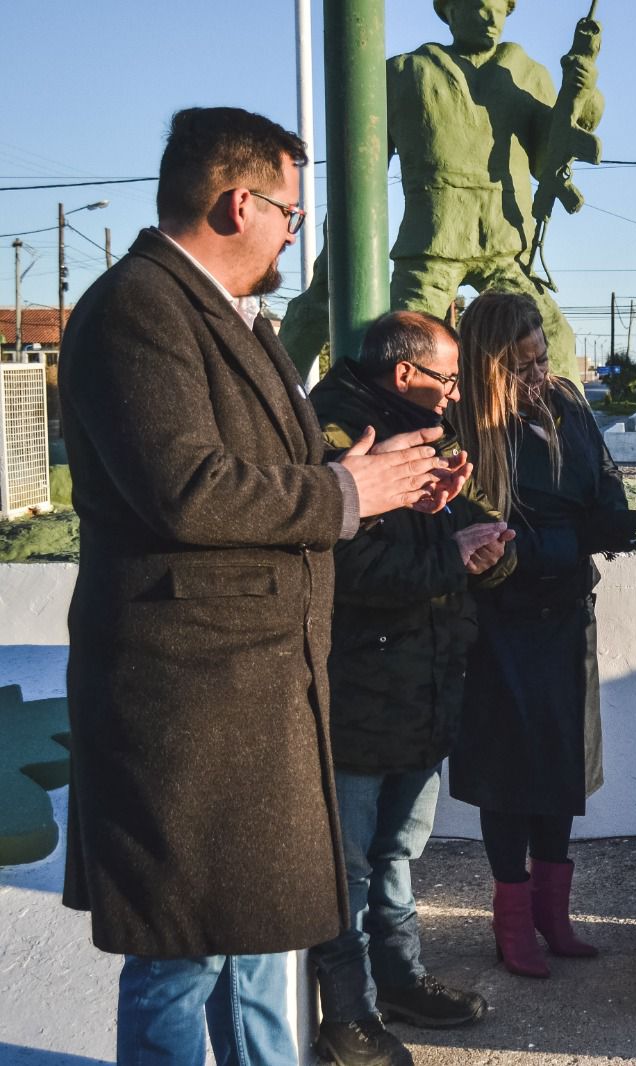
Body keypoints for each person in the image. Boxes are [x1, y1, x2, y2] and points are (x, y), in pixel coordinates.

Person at [58, 106, 456, 1064]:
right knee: (180, 960)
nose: (293, 231)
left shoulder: (233, 318)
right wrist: (343, 490)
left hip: (253, 695)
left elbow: (272, 474)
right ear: (240, 204)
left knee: (261, 953)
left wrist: (377, 476)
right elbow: (188, 491)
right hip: (188, 706)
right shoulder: (136, 309)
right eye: (289, 211)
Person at [308, 311, 517, 1065]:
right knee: (351, 864)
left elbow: (458, 523)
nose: (456, 392)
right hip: (360, 690)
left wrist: (487, 548)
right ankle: (349, 1016)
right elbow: (342, 572)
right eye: (450, 378)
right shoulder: (339, 439)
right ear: (406, 375)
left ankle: (399, 982)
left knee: (397, 852)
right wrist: (450, 559)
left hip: (422, 685)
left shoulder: (427, 431)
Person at [447, 291, 636, 977]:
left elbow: (604, 489)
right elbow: (479, 538)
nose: (539, 376)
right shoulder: (465, 427)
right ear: (490, 366)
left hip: (565, 614)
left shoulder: (565, 405)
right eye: (523, 366)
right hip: (497, 624)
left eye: (543, 359)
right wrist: (554, 542)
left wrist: (607, 523)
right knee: (508, 776)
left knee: (560, 767)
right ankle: (512, 925)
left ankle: (553, 916)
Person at [279, 0, 599, 380]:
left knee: (554, 338)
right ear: (448, 10)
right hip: (430, 250)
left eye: (500, 8)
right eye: (477, 5)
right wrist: (332, 266)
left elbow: (546, 162)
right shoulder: (405, 73)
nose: (489, 16)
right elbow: (360, 178)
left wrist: (579, 94)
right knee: (400, 350)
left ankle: (569, 436)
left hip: (506, 245)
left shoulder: (527, 74)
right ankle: (300, 418)